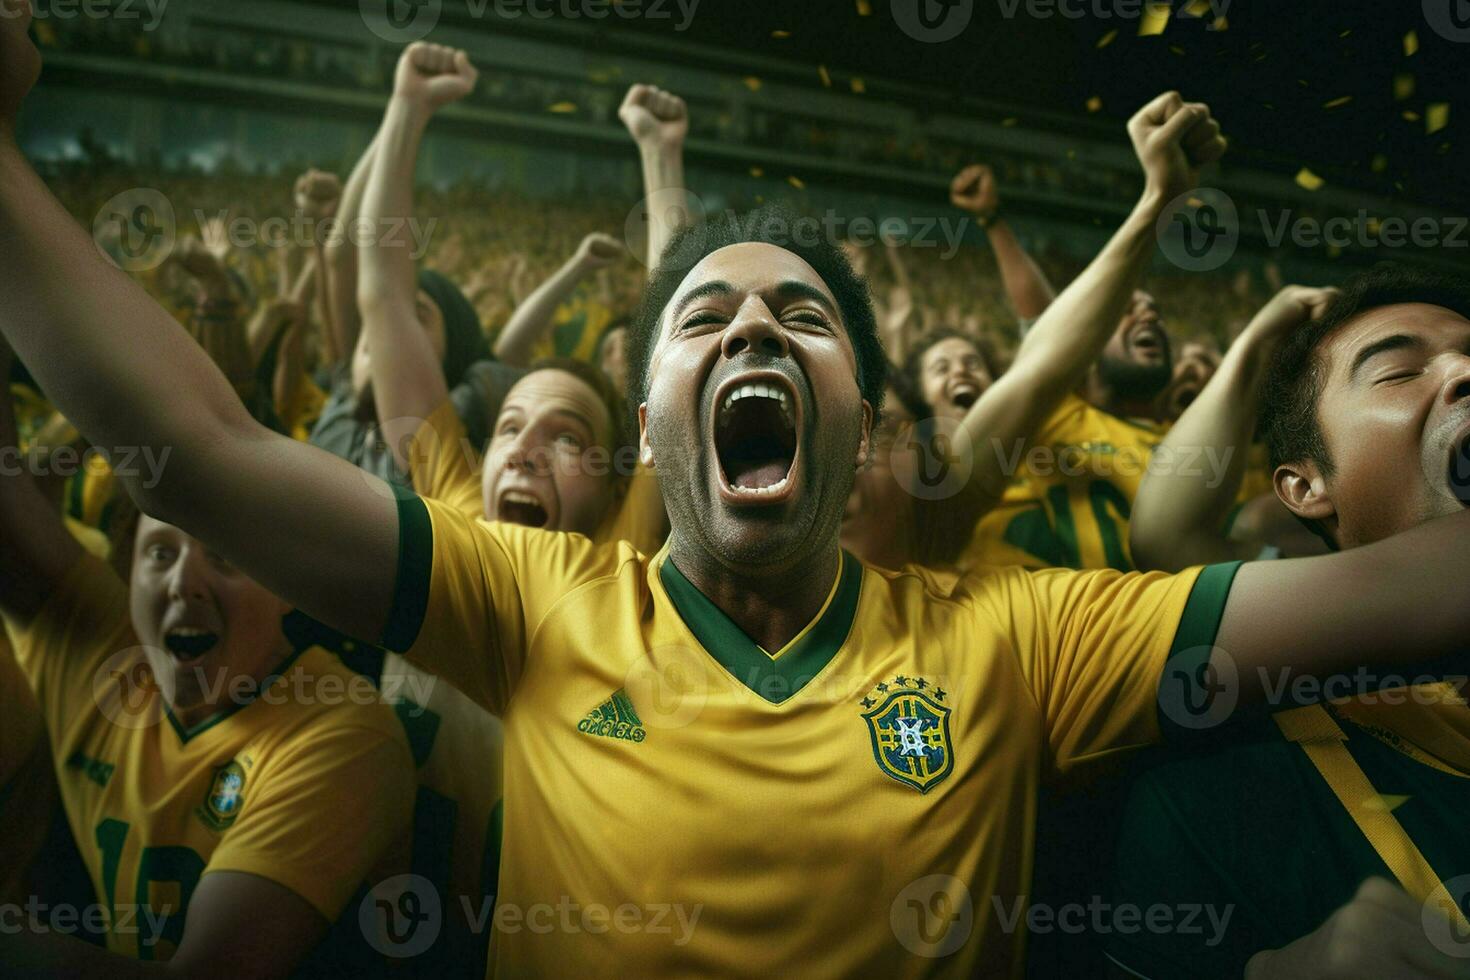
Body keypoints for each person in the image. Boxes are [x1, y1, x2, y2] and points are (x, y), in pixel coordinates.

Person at [5, 27, 1470, 977]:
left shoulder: (1024, 640)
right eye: (704, 319)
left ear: (860, 421)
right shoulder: (528, 602)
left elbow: (1408, 589)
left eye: (806, 319)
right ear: (651, 422)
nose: (756, 331)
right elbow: (193, 448)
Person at [0, 330, 415, 975]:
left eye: (224, 555)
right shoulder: (103, 652)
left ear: (287, 588)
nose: (183, 581)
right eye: (159, 554)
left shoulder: (344, 736)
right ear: (126, 572)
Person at [1108, 265, 1470, 978]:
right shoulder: (1220, 804)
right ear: (1306, 488)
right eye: (1400, 371)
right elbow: (1164, 531)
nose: (1464, 369)